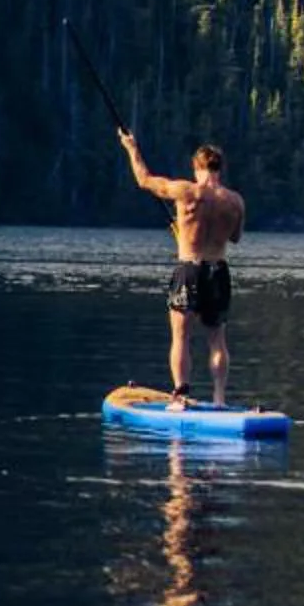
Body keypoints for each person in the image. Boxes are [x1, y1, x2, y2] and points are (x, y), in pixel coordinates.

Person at [118, 130, 245, 404]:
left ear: (196, 167)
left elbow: (144, 180)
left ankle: (181, 395)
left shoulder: (186, 192)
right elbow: (234, 237)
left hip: (190, 269)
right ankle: (220, 398)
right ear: (220, 168)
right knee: (217, 340)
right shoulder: (235, 201)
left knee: (181, 336)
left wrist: (131, 148)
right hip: (218, 271)